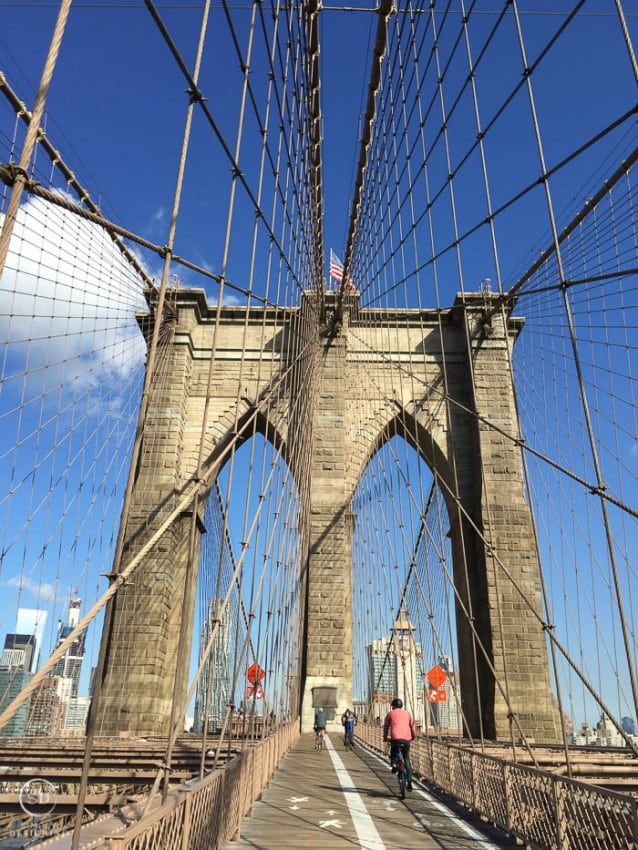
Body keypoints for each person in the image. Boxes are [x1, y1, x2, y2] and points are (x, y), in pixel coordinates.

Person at [383, 697, 416, 791]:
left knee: (393, 751)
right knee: (406, 759)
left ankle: (393, 764)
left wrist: (385, 738)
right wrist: (413, 736)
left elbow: (386, 727)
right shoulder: (407, 713)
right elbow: (412, 726)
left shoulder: (390, 714)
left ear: (393, 706)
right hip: (406, 740)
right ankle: (409, 782)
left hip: (395, 739)